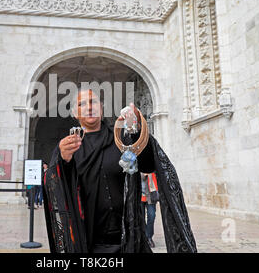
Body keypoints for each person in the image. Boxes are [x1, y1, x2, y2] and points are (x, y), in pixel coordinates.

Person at [43, 89, 196, 253]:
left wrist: (137, 132)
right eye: (82, 104)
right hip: (89, 242)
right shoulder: (69, 147)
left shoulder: (121, 138)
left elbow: (148, 164)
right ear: (74, 113)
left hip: (130, 238)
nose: (89, 107)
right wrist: (63, 161)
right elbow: (56, 188)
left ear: (101, 107)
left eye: (93, 102)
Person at [141, 172, 159, 248]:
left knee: (151, 216)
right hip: (139, 197)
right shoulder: (134, 163)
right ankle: (143, 236)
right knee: (140, 217)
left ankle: (149, 237)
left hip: (151, 196)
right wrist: (142, 174)